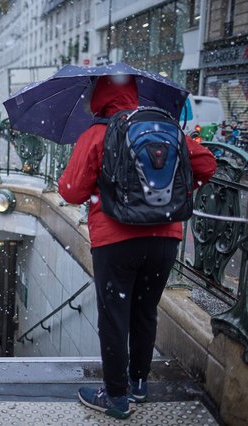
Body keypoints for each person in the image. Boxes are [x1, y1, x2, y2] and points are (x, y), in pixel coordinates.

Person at [58, 75, 217, 419]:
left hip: (115, 241)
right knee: (145, 311)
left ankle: (115, 396)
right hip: (165, 240)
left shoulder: (98, 134)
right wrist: (173, 194)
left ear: (100, 96)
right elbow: (207, 164)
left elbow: (70, 191)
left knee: (114, 317)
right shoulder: (164, 128)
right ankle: (139, 383)